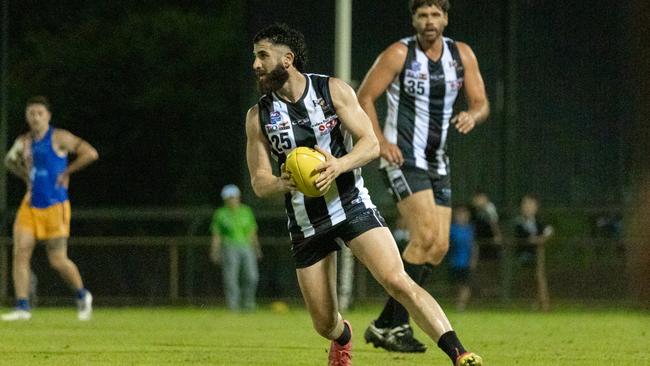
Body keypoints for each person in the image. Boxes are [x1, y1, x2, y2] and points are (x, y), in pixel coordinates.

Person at [246, 23, 482, 366]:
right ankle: (343, 336)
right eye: (255, 57)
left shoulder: (332, 91)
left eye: (262, 56)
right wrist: (283, 182)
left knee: (397, 280)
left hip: (352, 206)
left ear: (288, 58)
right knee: (324, 323)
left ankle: (460, 353)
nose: (255, 64)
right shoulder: (258, 117)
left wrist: (338, 166)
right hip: (306, 223)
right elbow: (258, 181)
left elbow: (370, 144)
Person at [356, 0, 490, 352]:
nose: (429, 21)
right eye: (422, 15)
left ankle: (387, 323)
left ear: (445, 19)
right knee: (425, 235)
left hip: (437, 160)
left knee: (439, 245)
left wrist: (473, 116)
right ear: (413, 20)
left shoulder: (461, 55)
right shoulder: (399, 54)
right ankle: (395, 325)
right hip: (403, 158)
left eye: (435, 14)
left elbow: (480, 102)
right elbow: (365, 96)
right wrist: (380, 141)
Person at [2, 96, 98, 321]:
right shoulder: (24, 141)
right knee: (20, 253)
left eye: (39, 113)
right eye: (31, 113)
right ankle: (22, 307)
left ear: (48, 116)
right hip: (30, 203)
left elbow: (90, 153)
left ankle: (82, 295)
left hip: (55, 205)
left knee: (57, 259)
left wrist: (67, 172)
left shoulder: (59, 137)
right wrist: (25, 176)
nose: (35, 117)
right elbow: (9, 161)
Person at [209, 184, 261, 311]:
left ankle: (248, 303)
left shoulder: (246, 211)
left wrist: (257, 248)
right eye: (229, 197)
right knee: (231, 277)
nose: (232, 200)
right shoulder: (220, 213)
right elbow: (217, 235)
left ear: (238, 197)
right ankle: (234, 306)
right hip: (229, 246)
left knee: (252, 276)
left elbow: (252, 231)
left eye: (234, 197)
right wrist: (215, 251)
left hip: (246, 246)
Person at [513, 193, 553, 312]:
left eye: (530, 204)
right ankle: (540, 302)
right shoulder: (519, 222)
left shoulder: (539, 221)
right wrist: (536, 240)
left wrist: (541, 239)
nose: (527, 207)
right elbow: (525, 238)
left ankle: (543, 303)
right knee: (535, 277)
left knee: (539, 276)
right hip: (524, 256)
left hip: (538, 255)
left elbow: (549, 231)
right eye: (525, 204)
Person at [447, 205, 476, 311]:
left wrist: (473, 259)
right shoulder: (452, 229)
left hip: (466, 262)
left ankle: (461, 304)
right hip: (454, 261)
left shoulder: (471, 229)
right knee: (456, 284)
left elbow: (473, 246)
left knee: (466, 284)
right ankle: (457, 301)